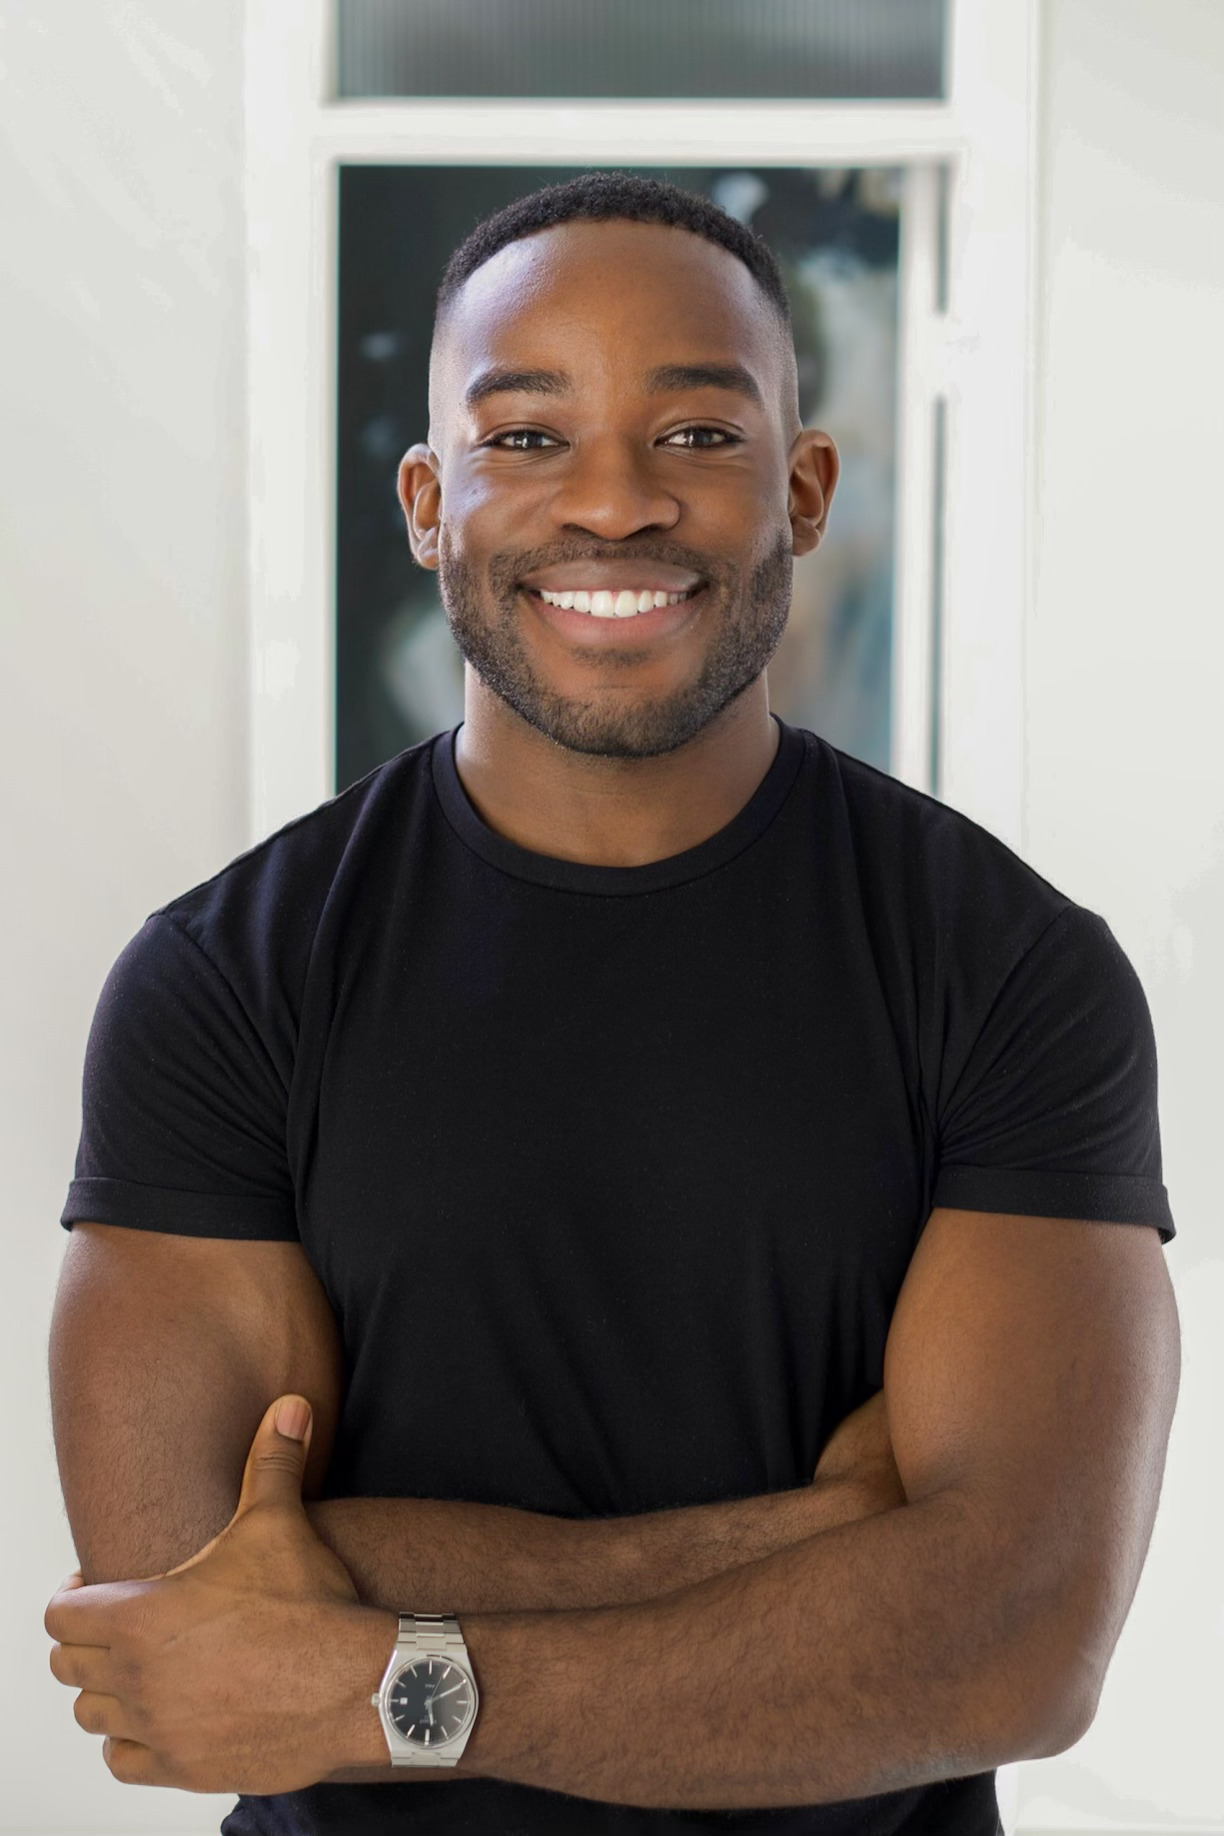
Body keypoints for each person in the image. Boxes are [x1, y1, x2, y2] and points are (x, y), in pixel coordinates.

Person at [45, 174, 1180, 1836]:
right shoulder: (227, 979)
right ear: (428, 502)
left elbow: (1012, 1641)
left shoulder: (1007, 967)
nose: (615, 503)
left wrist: (368, 1677)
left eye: (698, 436)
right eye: (526, 437)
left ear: (803, 490)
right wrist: (816, 1535)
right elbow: (179, 1616)